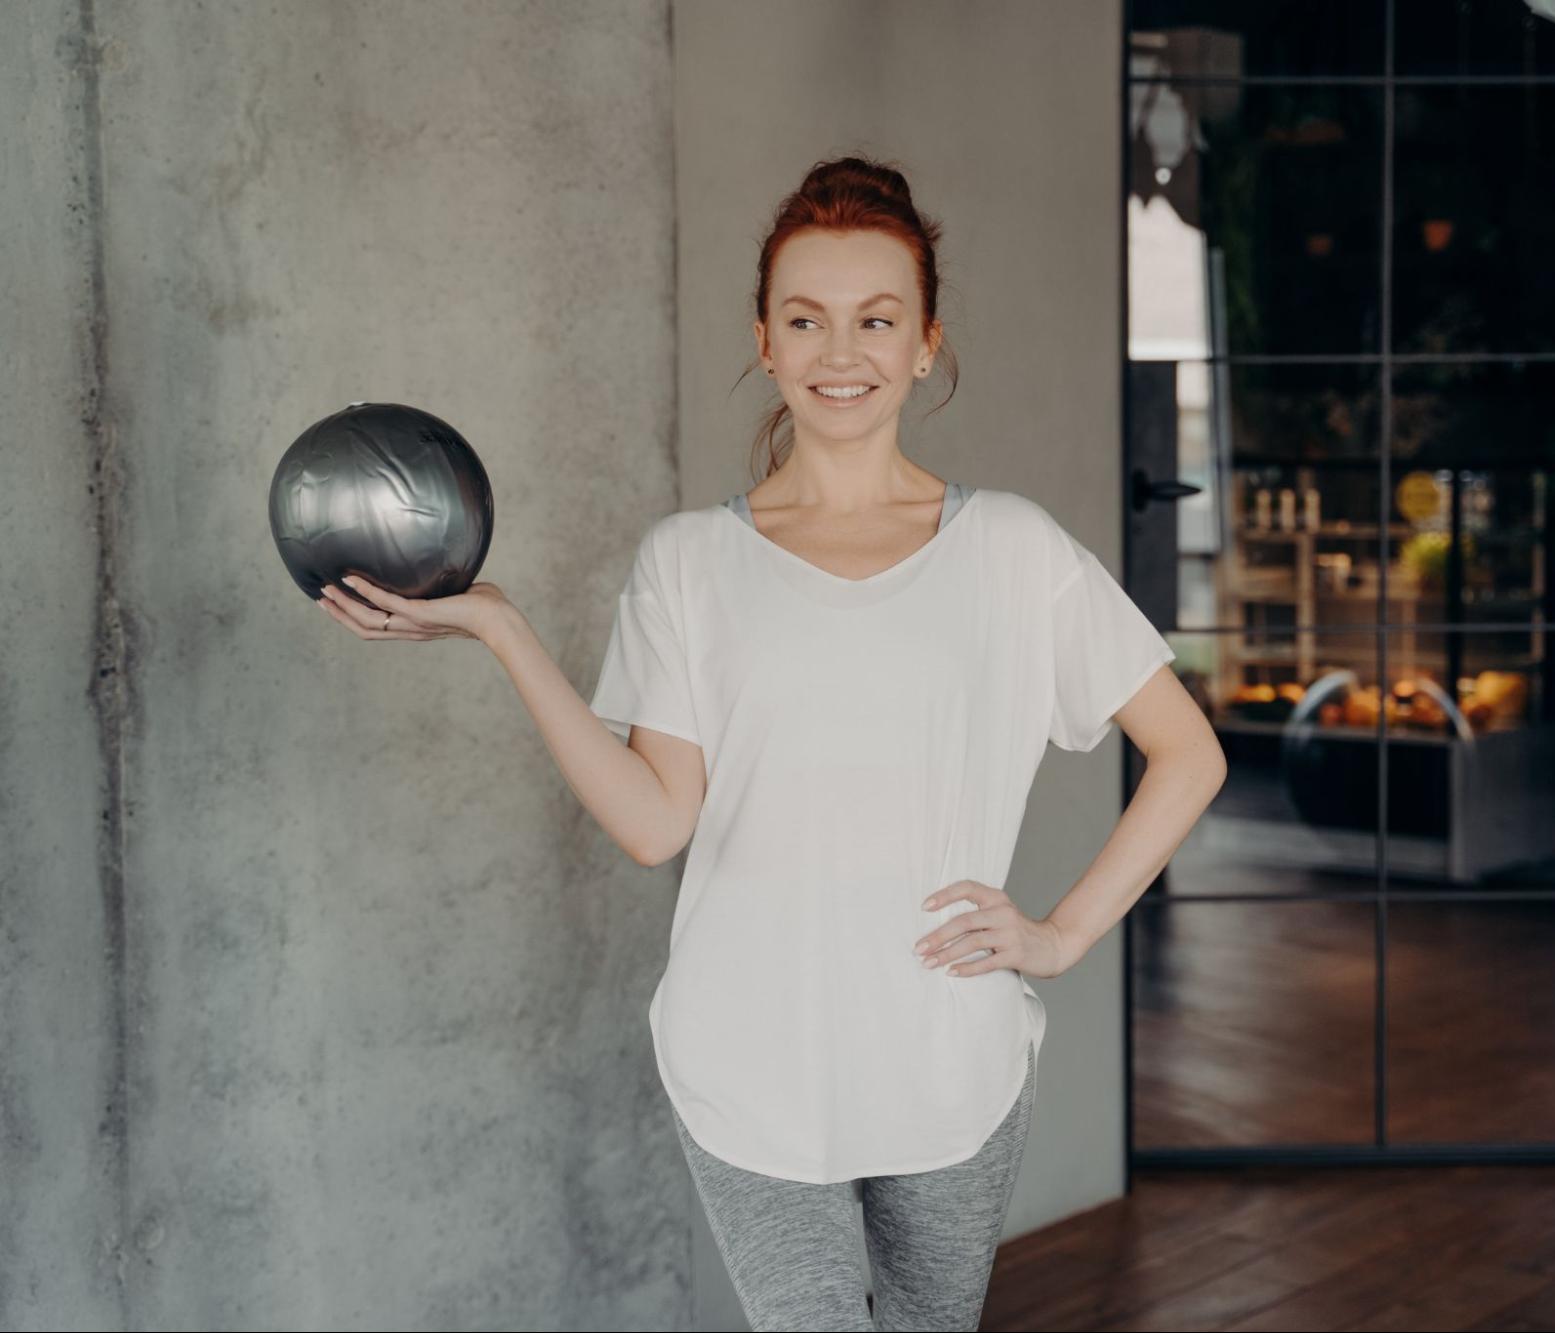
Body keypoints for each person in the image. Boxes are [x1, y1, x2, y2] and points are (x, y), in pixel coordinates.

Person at [316, 154, 1228, 1331]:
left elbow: (1188, 752)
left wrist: (1055, 936)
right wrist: (502, 630)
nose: (839, 352)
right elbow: (655, 824)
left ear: (924, 343)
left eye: (874, 319)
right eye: (806, 319)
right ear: (765, 340)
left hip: (947, 1054)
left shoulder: (1013, 549)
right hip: (748, 1053)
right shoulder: (689, 562)